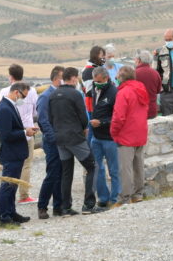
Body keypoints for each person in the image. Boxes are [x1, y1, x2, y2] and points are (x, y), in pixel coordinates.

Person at [49, 67, 102, 215]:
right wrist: (84, 128)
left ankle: (66, 207)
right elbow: (83, 117)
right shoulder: (75, 94)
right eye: (77, 78)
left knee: (67, 172)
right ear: (72, 78)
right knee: (93, 166)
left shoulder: (53, 95)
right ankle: (89, 205)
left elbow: (50, 117)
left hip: (60, 138)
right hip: (75, 137)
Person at [0, 82, 36, 226]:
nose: (24, 99)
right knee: (7, 186)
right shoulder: (5, 109)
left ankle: (11, 212)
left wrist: (26, 129)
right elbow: (6, 135)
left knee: (13, 185)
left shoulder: (10, 106)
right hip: (11, 154)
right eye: (23, 96)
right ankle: (4, 217)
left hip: (16, 153)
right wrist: (25, 132)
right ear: (16, 92)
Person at [0, 63, 37, 204]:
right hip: (27, 131)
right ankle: (24, 195)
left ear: (11, 76)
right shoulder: (31, 91)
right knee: (26, 164)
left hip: (10, 133)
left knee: (11, 167)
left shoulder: (3, 92)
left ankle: (9, 199)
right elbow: (35, 111)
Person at [111, 64, 149, 205]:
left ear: (122, 77)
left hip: (126, 134)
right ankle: (138, 194)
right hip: (140, 132)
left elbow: (118, 116)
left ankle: (124, 197)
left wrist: (113, 132)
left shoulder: (123, 92)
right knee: (138, 165)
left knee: (125, 168)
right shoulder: (141, 88)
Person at [88, 66, 121, 208]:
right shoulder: (95, 90)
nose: (97, 83)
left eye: (99, 81)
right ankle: (103, 198)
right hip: (96, 137)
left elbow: (117, 116)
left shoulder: (114, 92)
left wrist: (102, 122)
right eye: (95, 81)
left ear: (106, 78)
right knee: (97, 169)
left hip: (110, 138)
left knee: (114, 170)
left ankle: (115, 199)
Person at [35, 66, 65, 219]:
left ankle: (58, 207)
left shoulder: (60, 94)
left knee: (60, 174)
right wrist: (53, 137)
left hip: (62, 140)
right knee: (52, 174)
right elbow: (43, 119)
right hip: (52, 142)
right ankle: (42, 206)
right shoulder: (46, 96)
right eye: (62, 77)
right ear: (55, 78)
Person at [134, 50, 162, 119]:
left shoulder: (134, 74)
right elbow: (158, 90)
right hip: (152, 109)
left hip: (138, 110)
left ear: (139, 60)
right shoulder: (155, 73)